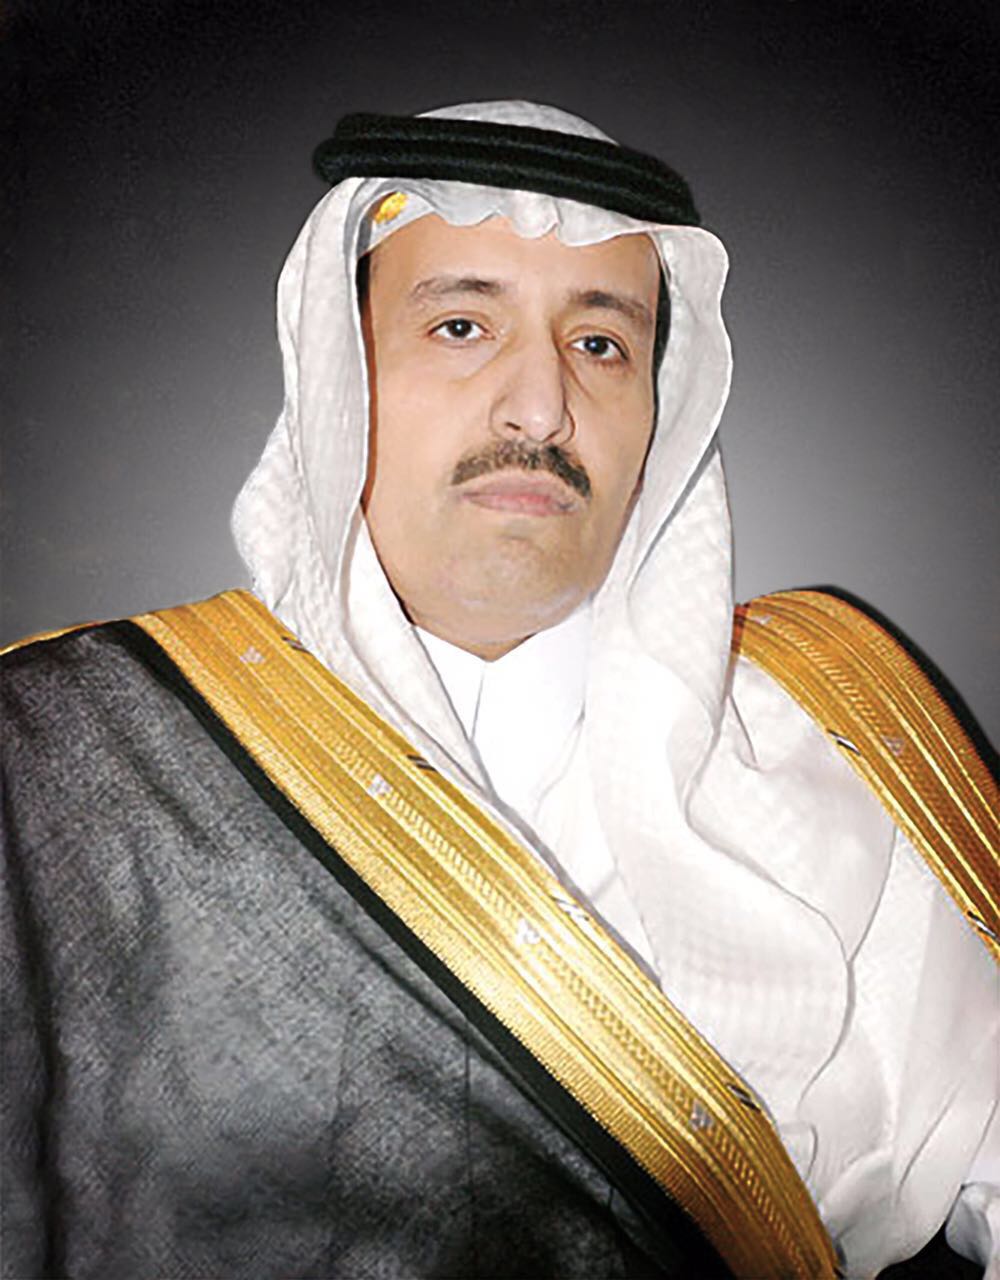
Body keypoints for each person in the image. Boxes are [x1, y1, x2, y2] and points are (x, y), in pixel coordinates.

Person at [1, 100, 996, 1280]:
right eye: (462, 325)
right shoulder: (68, 757)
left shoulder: (837, 738)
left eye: (601, 343)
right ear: (341, 375)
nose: (540, 406)